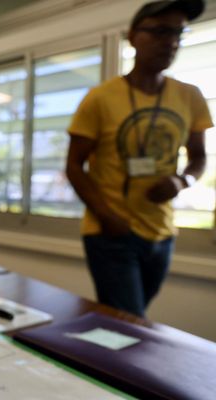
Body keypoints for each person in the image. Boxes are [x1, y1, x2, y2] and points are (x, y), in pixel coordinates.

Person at [65, 0, 213, 317]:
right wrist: (107, 217)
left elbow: (199, 158)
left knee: (128, 322)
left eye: (178, 33)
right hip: (111, 232)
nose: (171, 42)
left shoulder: (191, 96)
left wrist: (181, 179)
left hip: (162, 233)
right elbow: (74, 167)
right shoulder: (100, 98)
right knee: (130, 321)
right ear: (132, 36)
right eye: (160, 31)